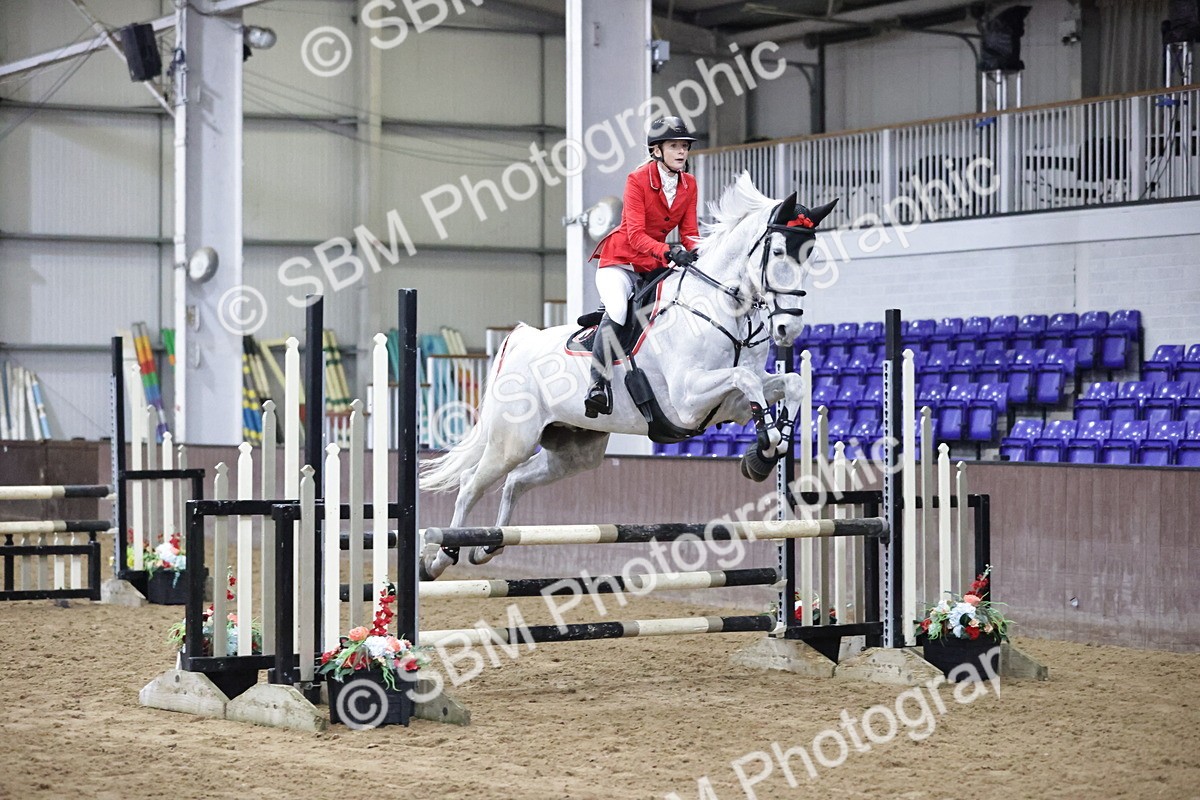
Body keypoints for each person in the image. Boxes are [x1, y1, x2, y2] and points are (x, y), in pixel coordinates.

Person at [584, 116, 702, 417]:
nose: (681, 152)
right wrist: (669, 251)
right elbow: (635, 235)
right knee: (620, 310)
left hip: (653, 263)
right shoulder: (637, 180)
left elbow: (689, 233)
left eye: (684, 147)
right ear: (656, 150)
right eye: (674, 146)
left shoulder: (689, 184)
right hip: (621, 260)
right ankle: (597, 383)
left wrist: (700, 255)